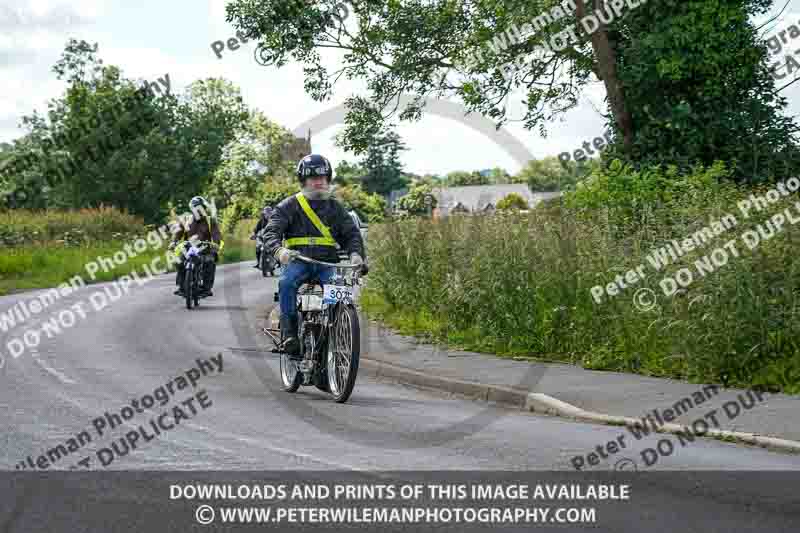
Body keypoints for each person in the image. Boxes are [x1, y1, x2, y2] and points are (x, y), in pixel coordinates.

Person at [263, 154, 367, 358]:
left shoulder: (336, 208)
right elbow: (271, 232)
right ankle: (290, 335)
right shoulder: (289, 205)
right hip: (298, 262)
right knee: (286, 283)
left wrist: (356, 255)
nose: (319, 182)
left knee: (342, 292)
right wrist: (279, 251)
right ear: (304, 181)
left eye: (323, 178)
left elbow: (351, 234)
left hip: (327, 264)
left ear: (328, 179)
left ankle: (337, 333)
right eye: (313, 178)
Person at [169, 196, 223, 297]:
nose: (197, 211)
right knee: (179, 260)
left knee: (209, 261)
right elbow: (178, 233)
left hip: (205, 247)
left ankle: (206, 288)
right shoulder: (186, 220)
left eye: (199, 208)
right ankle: (182, 286)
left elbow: (216, 234)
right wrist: (174, 242)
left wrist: (215, 244)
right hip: (189, 247)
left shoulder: (210, 220)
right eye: (194, 208)